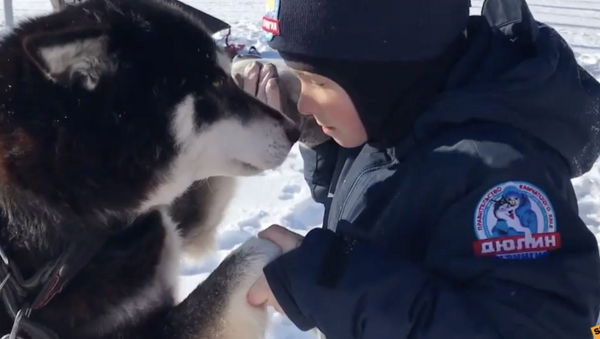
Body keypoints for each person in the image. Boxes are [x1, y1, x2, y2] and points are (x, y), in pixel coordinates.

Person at [239, 0, 600, 338]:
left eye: (318, 82)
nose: (303, 103)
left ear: (385, 73)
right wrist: (320, 142)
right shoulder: (396, 119)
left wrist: (332, 281)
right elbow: (384, 198)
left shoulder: (497, 176)